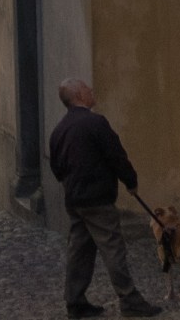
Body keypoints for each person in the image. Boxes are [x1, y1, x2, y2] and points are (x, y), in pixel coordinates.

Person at [47, 77, 159, 318]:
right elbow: (115, 154)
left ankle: (75, 301)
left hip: (75, 199)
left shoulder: (59, 129)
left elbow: (56, 167)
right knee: (113, 249)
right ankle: (129, 299)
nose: (91, 91)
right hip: (97, 198)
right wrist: (130, 181)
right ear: (79, 96)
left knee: (80, 250)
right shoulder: (96, 123)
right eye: (87, 89)